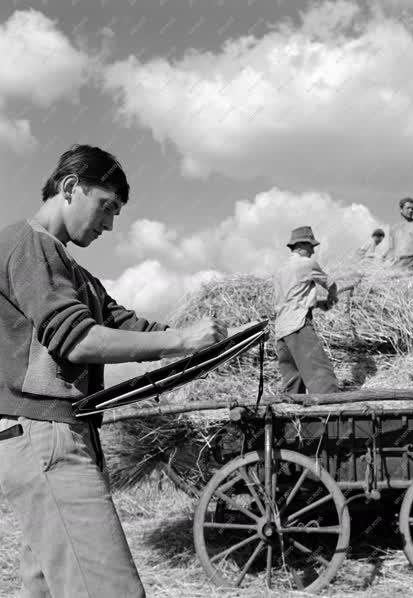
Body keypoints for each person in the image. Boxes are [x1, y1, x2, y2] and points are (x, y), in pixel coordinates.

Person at [0, 145, 228, 598]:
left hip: (60, 435)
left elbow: (131, 328)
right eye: (106, 207)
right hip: (44, 435)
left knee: (44, 590)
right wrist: (182, 341)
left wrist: (216, 338)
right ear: (70, 188)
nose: (108, 225)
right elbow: (79, 339)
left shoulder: (77, 273)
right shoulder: (27, 245)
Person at [273, 226, 340, 394]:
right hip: (299, 327)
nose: (313, 251)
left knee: (293, 382)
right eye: (311, 246)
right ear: (302, 245)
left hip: (281, 331)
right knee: (321, 376)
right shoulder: (307, 264)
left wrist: (318, 304)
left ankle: (291, 416)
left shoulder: (280, 271)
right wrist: (332, 297)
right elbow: (330, 284)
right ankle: (332, 411)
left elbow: (291, 300)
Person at [384, 197, 413, 276]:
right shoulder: (394, 228)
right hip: (396, 264)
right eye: (408, 208)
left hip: (412, 262)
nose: (411, 210)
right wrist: (383, 258)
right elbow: (391, 248)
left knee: (410, 286)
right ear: (401, 209)